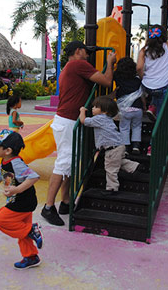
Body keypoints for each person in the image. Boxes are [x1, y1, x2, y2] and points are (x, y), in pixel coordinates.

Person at [41, 41, 116, 226]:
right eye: (86, 51)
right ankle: (48, 207)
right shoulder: (78, 64)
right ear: (78, 51)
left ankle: (65, 202)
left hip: (67, 120)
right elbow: (106, 81)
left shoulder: (68, 67)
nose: (88, 55)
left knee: (70, 163)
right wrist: (110, 63)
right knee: (64, 163)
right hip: (67, 121)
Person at [0, 129, 43, 270]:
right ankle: (31, 257)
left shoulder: (16, 163)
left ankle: (32, 229)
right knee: (21, 231)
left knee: (2, 219)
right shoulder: (5, 161)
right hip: (20, 200)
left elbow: (34, 176)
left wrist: (17, 189)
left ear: (7, 150)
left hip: (22, 201)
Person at [79, 97, 139, 194]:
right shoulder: (107, 118)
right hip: (119, 145)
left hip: (112, 148)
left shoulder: (99, 119)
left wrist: (82, 111)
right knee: (118, 162)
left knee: (111, 169)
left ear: (105, 110)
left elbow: (83, 121)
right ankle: (135, 167)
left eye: (96, 107)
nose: (93, 108)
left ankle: (112, 188)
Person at [137, 24, 168, 121]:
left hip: (148, 86)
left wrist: (143, 77)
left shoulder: (143, 50)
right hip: (163, 85)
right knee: (162, 112)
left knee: (155, 93)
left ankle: (152, 107)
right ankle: (157, 129)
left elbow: (139, 67)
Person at [114, 57, 145, 154]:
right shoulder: (137, 80)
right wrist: (144, 107)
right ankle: (136, 146)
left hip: (125, 109)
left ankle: (126, 148)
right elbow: (142, 94)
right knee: (137, 127)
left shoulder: (118, 78)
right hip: (137, 108)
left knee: (124, 128)